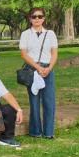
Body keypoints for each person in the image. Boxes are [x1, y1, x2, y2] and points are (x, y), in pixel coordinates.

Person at [19, 8, 59, 139]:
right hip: (32, 69)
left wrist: (49, 68)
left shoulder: (50, 34)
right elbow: (24, 54)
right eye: (34, 16)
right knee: (34, 101)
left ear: (44, 18)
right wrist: (37, 67)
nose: (37, 19)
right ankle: (35, 131)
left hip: (48, 68)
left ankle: (48, 132)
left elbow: (54, 53)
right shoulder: (25, 34)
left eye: (39, 16)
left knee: (49, 101)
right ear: (30, 19)